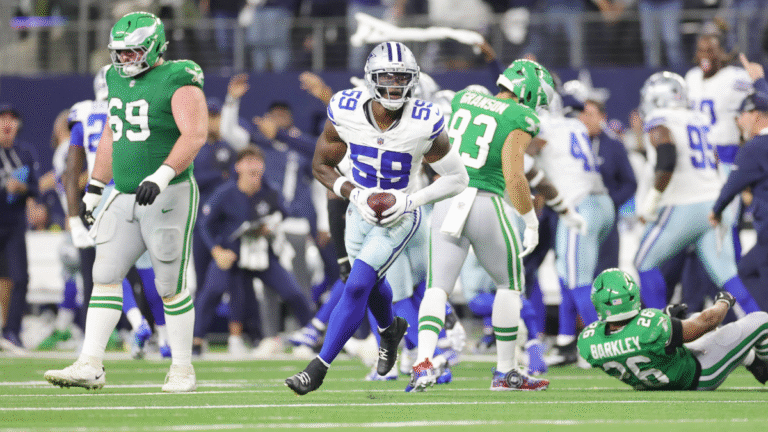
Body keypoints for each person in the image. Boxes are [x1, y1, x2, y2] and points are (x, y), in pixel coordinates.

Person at [284, 41, 469, 395]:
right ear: (371, 79)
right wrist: (355, 193)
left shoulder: (424, 119)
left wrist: (410, 200)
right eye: (388, 78)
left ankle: (318, 367)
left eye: (403, 79)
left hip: (401, 217)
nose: (396, 86)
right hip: (357, 211)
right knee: (371, 289)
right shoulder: (346, 109)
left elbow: (458, 178)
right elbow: (321, 165)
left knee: (356, 285)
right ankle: (389, 333)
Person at [44, 11, 207, 392]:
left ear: (154, 47)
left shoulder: (178, 77)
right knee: (104, 275)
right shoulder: (116, 78)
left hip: (171, 192)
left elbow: (195, 134)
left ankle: (182, 368)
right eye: (120, 52)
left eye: (134, 52)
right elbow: (112, 136)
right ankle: (90, 363)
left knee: (169, 282)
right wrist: (97, 185)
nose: (125, 60)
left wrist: (163, 173)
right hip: (124, 192)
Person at [407, 59, 552, 392]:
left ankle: (423, 364)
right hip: (485, 199)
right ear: (529, 91)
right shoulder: (520, 116)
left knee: (436, 287)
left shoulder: (462, 99)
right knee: (509, 285)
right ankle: (505, 371)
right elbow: (515, 175)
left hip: (447, 199)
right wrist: (530, 220)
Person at [63, 65, 169, 359]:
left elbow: (72, 170)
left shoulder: (83, 112)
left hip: (106, 193)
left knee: (109, 268)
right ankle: (165, 338)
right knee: (149, 269)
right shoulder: (139, 105)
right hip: (141, 190)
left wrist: (74, 218)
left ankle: (137, 324)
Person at [633, 71, 760, 316]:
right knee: (728, 275)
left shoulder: (661, 119)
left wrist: (651, 202)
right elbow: (713, 160)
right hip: (712, 203)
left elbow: (667, 158)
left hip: (683, 204)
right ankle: (763, 333)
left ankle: (660, 337)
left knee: (643, 262)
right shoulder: (697, 119)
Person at [194, 146, 314, 356]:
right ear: (238, 166)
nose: (253, 166)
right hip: (231, 253)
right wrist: (216, 250)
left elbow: (284, 213)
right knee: (212, 291)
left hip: (260, 254)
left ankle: (312, 335)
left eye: (257, 161)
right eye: (248, 161)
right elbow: (204, 223)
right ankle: (196, 340)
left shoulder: (269, 191)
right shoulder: (226, 192)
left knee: (293, 292)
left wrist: (271, 225)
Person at [529, 89, 615, 368]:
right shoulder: (575, 124)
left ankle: (604, 348)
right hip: (601, 204)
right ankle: (569, 342)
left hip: (578, 207)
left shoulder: (544, 125)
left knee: (578, 282)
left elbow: (525, 157)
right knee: (570, 277)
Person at [578, 268, 768, 390]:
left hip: (656, 381)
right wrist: (724, 301)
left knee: (690, 322)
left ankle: (752, 360)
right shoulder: (651, 326)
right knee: (761, 320)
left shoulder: (588, 341)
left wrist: (667, 317)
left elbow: (632, 337)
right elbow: (708, 321)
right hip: (700, 374)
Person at [710, 54, 768, 312]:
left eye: (742, 114)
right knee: (747, 269)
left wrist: (716, 210)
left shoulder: (755, 147)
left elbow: (732, 185)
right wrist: (760, 82)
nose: (739, 121)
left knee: (752, 275)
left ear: (755, 114)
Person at [580, 99, 637, 274]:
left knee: (606, 273)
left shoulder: (613, 145)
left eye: (590, 114)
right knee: (576, 272)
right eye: (582, 114)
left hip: (606, 219)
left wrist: (610, 204)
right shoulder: (571, 141)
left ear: (602, 117)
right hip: (577, 217)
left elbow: (630, 183)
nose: (585, 119)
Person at [0, 104, 38, 351]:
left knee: (20, 277)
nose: (7, 123)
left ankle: (11, 331)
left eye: (12, 118)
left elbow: (35, 187)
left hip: (14, 223)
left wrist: (23, 190)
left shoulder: (24, 153)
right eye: (3, 118)